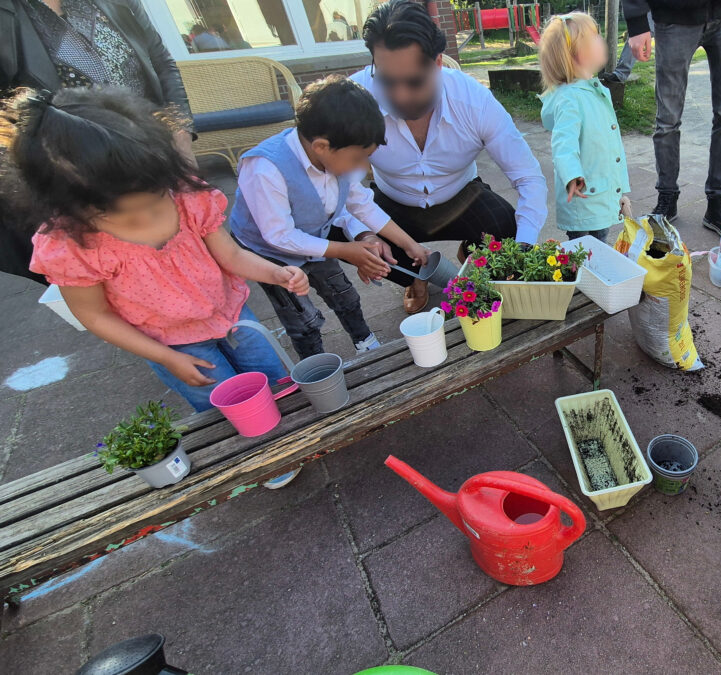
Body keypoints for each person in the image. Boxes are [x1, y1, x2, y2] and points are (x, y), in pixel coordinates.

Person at [4, 87, 308, 487]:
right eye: (124, 215)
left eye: (154, 201)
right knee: (226, 406)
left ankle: (296, 437)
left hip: (232, 315)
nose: (146, 217)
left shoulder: (188, 198)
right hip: (174, 343)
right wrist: (165, 357)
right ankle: (259, 457)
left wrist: (278, 273)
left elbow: (231, 258)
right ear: (69, 206)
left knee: (273, 379)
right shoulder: (70, 244)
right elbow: (94, 315)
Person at [350, 0, 548, 314]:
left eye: (414, 82)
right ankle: (414, 277)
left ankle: (471, 253)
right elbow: (336, 187)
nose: (399, 96)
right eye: (387, 81)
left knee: (507, 227)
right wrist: (363, 232)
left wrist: (523, 248)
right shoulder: (356, 99)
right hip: (392, 204)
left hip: (460, 196)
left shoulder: (475, 102)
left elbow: (529, 178)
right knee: (352, 237)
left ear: (438, 63)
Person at [230, 75, 430, 357]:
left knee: (344, 294)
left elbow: (360, 203)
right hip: (270, 253)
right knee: (302, 318)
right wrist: (345, 250)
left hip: (314, 237)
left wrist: (409, 244)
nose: (362, 167)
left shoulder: (336, 160)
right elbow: (279, 236)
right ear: (322, 146)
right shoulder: (265, 168)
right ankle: (318, 367)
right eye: (358, 158)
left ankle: (365, 343)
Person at [0, 0, 197, 283]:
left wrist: (181, 134)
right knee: (128, 279)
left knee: (190, 254)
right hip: (84, 185)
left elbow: (161, 62)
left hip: (152, 162)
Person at [623, 0, 721, 232]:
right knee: (667, 119)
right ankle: (667, 197)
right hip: (673, 16)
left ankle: (719, 201)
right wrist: (637, 21)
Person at [539, 12, 632, 244]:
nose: (602, 41)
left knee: (596, 250)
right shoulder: (570, 98)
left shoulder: (592, 90)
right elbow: (563, 144)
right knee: (589, 254)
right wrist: (571, 175)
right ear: (578, 54)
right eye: (595, 37)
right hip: (585, 198)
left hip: (598, 194)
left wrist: (619, 188)